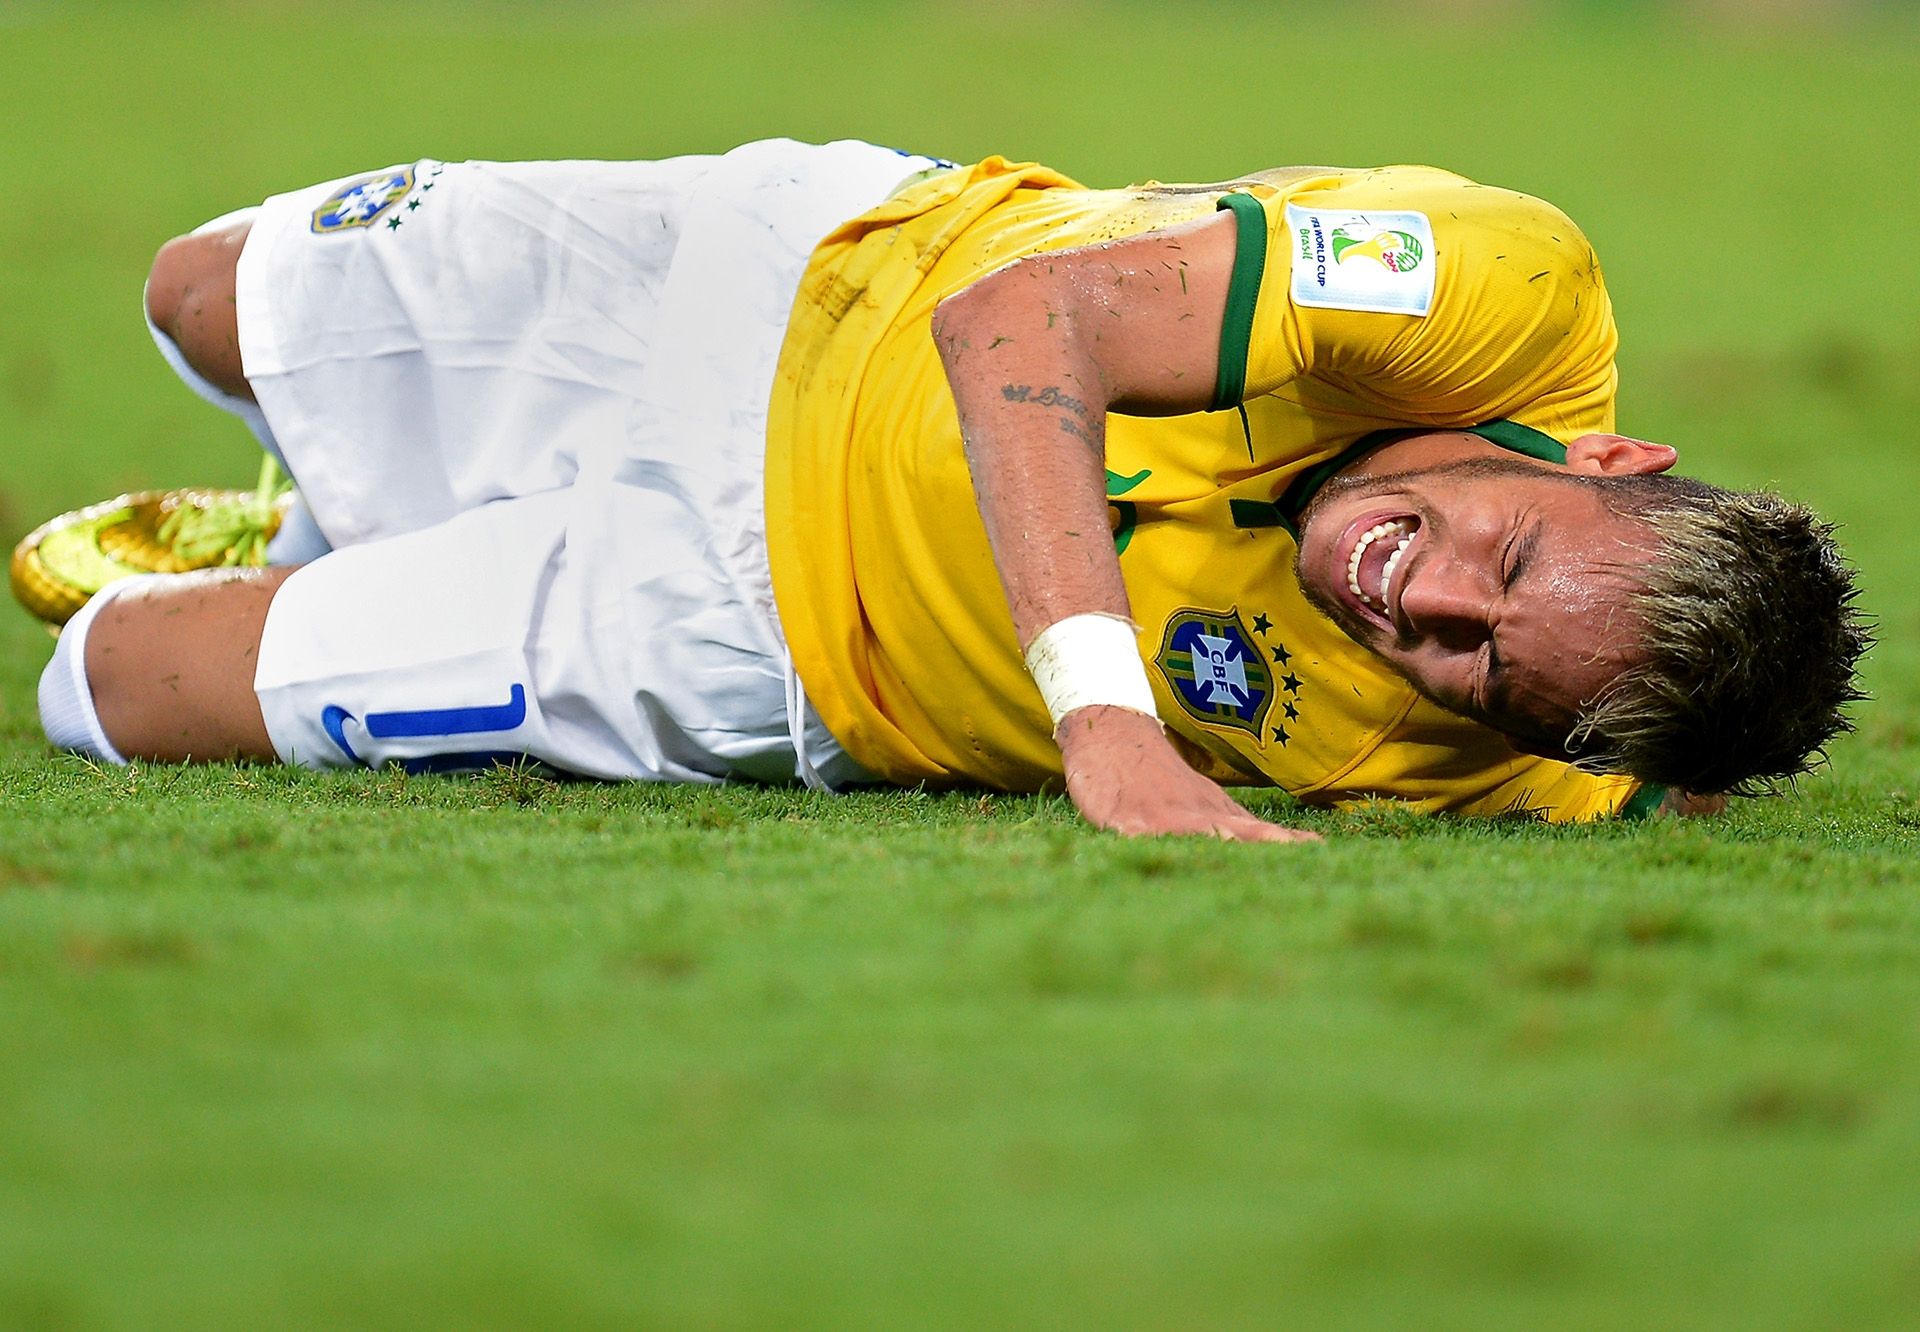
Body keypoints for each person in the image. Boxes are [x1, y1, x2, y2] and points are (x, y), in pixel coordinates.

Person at [15, 138, 1867, 840]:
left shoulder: (1543, 754)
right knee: (198, 289)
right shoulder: (1499, 293)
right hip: (789, 284)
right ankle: (342, 506)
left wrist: (1677, 755)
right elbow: (1025, 324)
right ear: (1608, 454)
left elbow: (1655, 774)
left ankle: (327, 545)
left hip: (761, 640)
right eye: (1505, 550)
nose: (1424, 601)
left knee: (91, 688)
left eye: (1478, 665)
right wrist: (1107, 727)